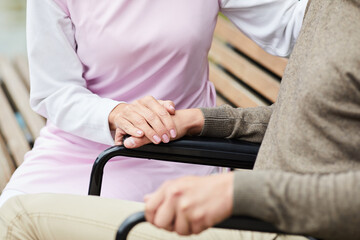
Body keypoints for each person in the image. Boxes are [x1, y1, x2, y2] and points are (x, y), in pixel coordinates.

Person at [0, 0, 359, 239]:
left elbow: (295, 25)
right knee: (9, 214)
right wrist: (113, 112)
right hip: (79, 144)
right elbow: (53, 92)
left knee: (18, 222)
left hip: (176, 149)